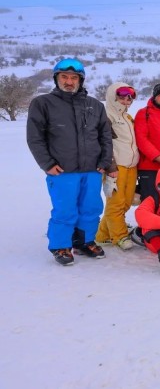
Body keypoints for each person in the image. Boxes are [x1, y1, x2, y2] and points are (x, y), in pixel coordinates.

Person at [27, 58, 112, 265]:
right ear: (56, 79)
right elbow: (35, 137)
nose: (69, 81)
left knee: (91, 208)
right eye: (64, 77)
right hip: (62, 170)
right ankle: (61, 245)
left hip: (92, 169)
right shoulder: (43, 103)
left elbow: (105, 136)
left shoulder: (95, 105)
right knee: (65, 210)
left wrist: (105, 161)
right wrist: (47, 164)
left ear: (80, 80)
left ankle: (84, 242)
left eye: (74, 77)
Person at [95, 82, 139, 250]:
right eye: (122, 97)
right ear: (113, 96)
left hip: (131, 166)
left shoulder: (127, 117)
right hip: (116, 168)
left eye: (130, 98)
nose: (126, 101)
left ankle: (102, 235)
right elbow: (103, 143)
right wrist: (110, 166)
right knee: (116, 203)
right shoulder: (107, 116)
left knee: (126, 202)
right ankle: (119, 236)